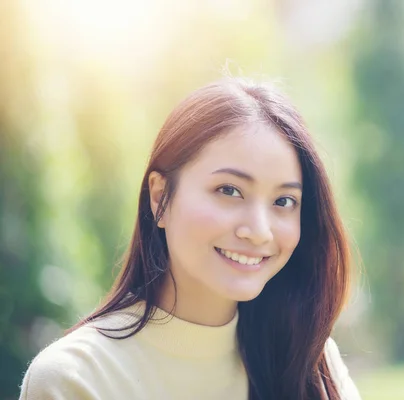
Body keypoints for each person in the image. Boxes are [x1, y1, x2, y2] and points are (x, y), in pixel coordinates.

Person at [19, 77, 361, 400]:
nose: (259, 230)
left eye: (283, 201)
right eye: (229, 191)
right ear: (160, 197)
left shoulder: (311, 363)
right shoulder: (78, 378)